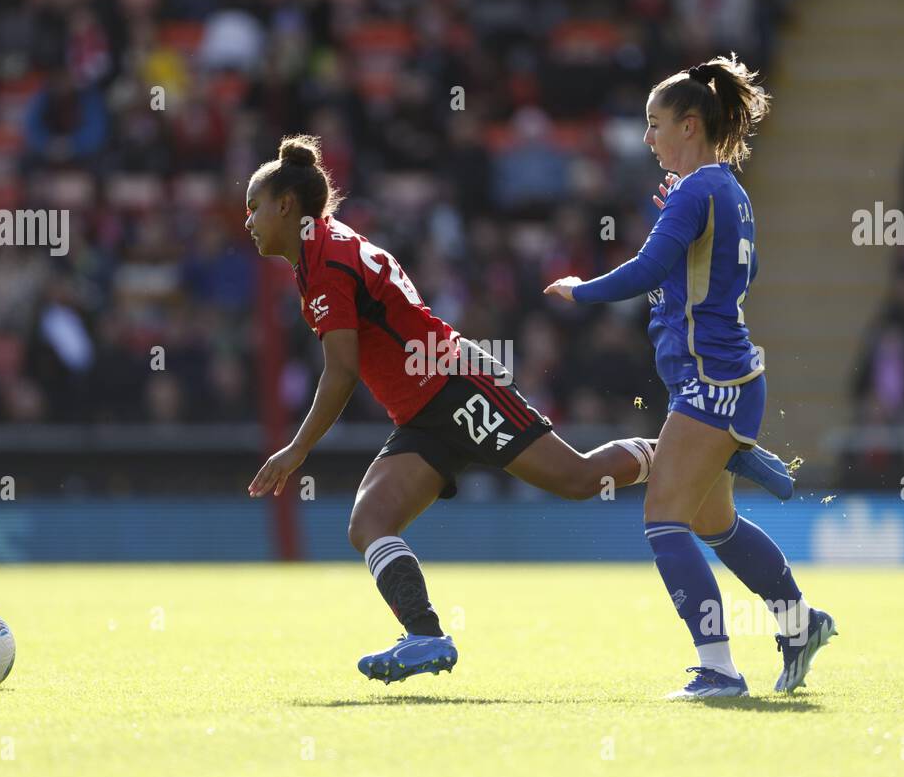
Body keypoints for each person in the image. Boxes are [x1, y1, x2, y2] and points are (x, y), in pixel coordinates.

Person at [246, 134, 795, 684]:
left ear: (285, 205)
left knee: (577, 478)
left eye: (254, 208)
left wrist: (296, 450)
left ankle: (689, 452)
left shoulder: (325, 260)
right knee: (369, 522)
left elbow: (341, 370)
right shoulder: (324, 248)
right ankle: (426, 634)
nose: (248, 221)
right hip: (422, 409)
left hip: (456, 386)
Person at [545, 56, 835, 698]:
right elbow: (732, 278)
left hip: (712, 381)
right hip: (722, 378)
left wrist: (580, 290)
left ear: (690, 123)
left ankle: (719, 669)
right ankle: (799, 623)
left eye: (654, 123)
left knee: (663, 518)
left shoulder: (698, 191)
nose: (647, 138)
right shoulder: (725, 191)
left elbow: (646, 271)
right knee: (712, 525)